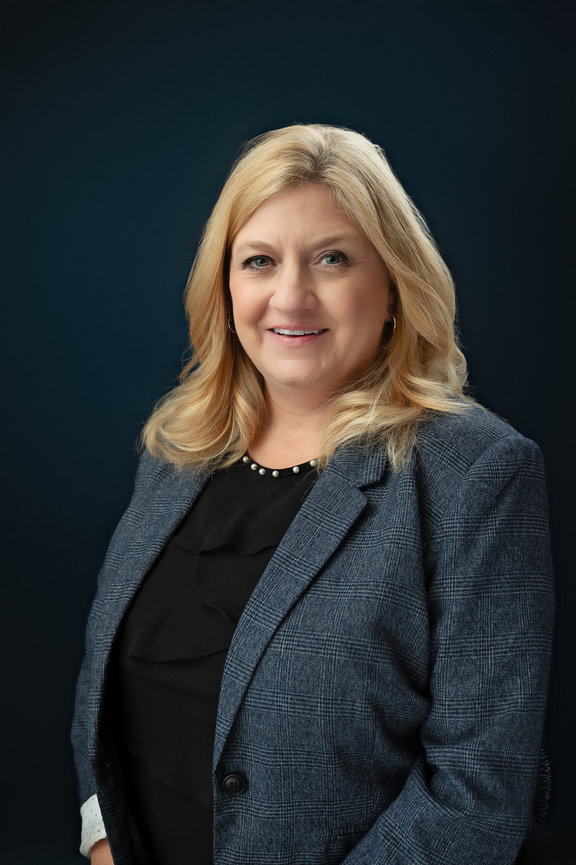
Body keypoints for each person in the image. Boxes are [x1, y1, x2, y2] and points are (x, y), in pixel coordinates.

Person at [71, 123, 554, 865]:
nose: (290, 296)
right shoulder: (178, 452)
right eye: (259, 260)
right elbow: (106, 703)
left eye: (332, 258)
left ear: (393, 285)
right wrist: (104, 840)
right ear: (226, 286)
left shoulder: (475, 473)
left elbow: (479, 794)